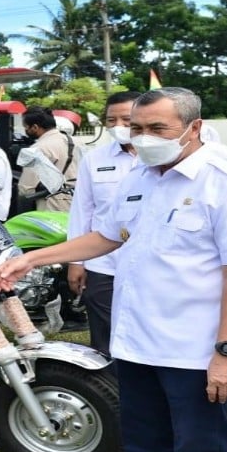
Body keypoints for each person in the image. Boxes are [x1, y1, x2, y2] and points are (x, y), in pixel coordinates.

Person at [0, 87, 227, 452]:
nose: (143, 137)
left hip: (192, 349)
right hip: (135, 343)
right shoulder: (139, 174)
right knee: (145, 446)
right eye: (137, 127)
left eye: (158, 127)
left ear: (195, 128)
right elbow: (107, 236)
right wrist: (32, 259)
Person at [67, 91, 141, 359]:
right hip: (103, 263)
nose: (118, 126)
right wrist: (76, 261)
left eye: (126, 119)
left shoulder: (157, 158)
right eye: (111, 120)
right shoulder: (94, 159)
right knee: (105, 332)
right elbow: (82, 211)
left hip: (146, 263)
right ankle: (108, 387)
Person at [17, 106, 80, 212]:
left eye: (26, 127)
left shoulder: (37, 149)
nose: (25, 130)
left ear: (35, 127)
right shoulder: (77, 143)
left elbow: (26, 188)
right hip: (77, 201)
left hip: (52, 205)